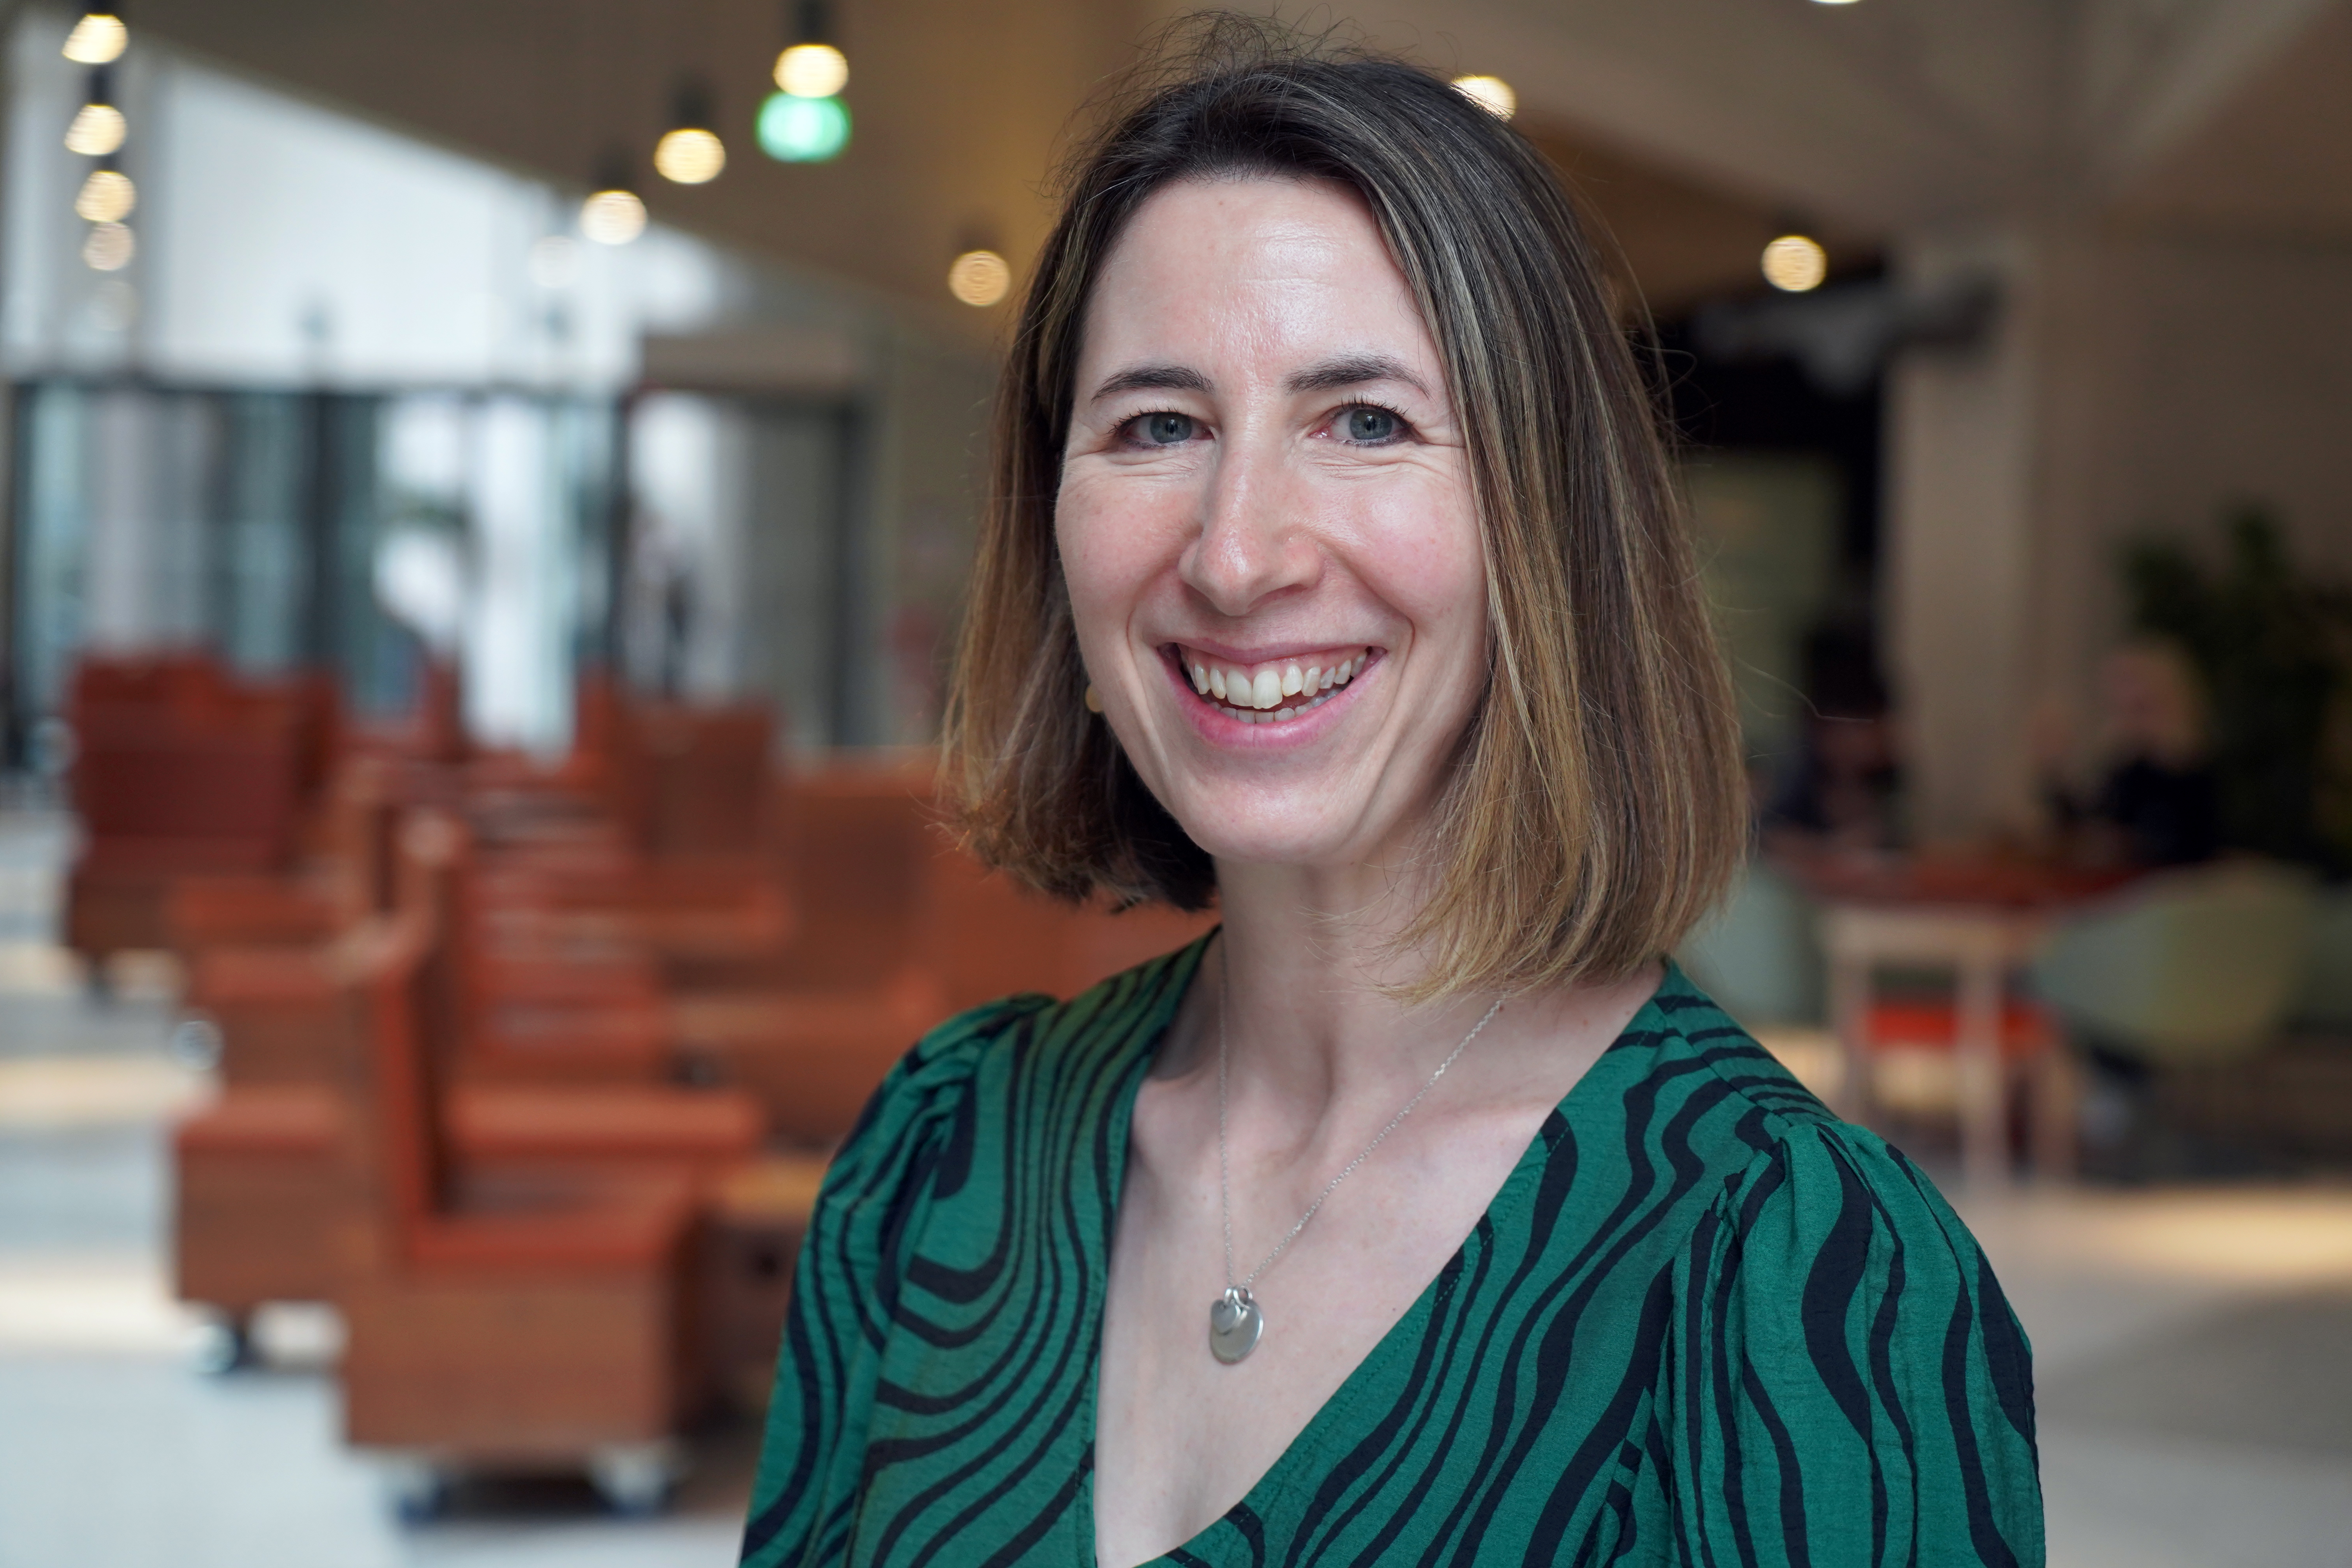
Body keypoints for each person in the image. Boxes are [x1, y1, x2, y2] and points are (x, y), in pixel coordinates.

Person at [740, 20, 2042, 1568]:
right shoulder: (940, 1152)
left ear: (1549, 535)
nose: (1237, 554)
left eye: (1366, 420)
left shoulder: (1805, 1276)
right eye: (1159, 425)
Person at [2043, 640, 2220, 868]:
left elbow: (2185, 842)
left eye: (2130, 681)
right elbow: (2091, 820)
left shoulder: (2187, 764)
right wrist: (2054, 770)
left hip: (2173, 887)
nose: (2120, 695)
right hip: (2123, 883)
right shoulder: (2127, 761)